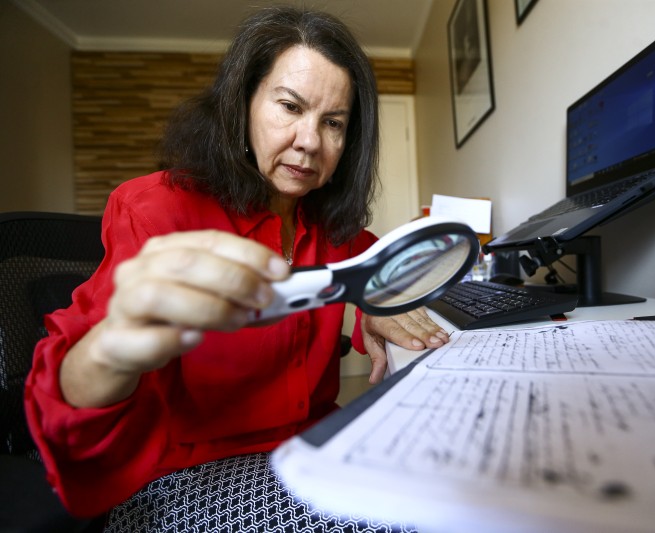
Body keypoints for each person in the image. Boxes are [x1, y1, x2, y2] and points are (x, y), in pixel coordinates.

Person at [24, 6, 448, 527]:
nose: (310, 141)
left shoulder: (328, 225)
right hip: (184, 474)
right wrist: (111, 348)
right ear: (242, 104)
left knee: (446, 487)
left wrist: (375, 304)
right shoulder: (153, 209)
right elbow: (69, 400)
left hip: (312, 447)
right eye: (290, 107)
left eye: (333, 123)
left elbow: (378, 266)